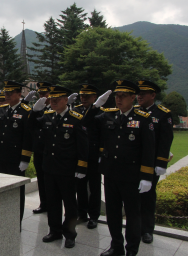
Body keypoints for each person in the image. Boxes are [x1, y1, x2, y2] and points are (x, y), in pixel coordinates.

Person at [95, 80, 155, 256]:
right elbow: (87, 124)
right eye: (116, 96)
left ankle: (131, 249)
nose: (118, 100)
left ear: (133, 97)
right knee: (112, 213)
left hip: (131, 176)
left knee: (132, 215)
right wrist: (96, 106)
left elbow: (149, 150)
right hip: (111, 173)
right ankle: (116, 246)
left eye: (122, 96)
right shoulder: (108, 115)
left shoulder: (143, 119)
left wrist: (146, 177)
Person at [29, 85, 89, 249]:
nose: (53, 102)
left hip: (68, 169)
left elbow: (83, 145)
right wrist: (34, 111)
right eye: (51, 100)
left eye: (56, 100)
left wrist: (82, 167)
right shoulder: (48, 116)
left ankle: (70, 234)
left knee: (70, 204)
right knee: (53, 202)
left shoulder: (76, 118)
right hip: (49, 168)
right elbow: (32, 126)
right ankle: (54, 231)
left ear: (65, 100)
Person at [0, 80, 33, 225]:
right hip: (0, 156)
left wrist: (25, 159)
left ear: (19, 94)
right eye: (6, 93)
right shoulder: (2, 109)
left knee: (17, 192)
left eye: (11, 93)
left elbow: (28, 137)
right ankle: (3, 218)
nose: (8, 96)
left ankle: (16, 222)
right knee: (2, 189)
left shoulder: (26, 112)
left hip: (15, 159)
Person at [136, 80, 173, 244]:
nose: (139, 96)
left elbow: (165, 141)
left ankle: (147, 230)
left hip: (150, 164)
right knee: (133, 197)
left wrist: (161, 163)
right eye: (138, 93)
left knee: (148, 197)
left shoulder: (162, 114)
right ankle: (134, 227)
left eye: (143, 94)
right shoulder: (134, 112)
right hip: (133, 163)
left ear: (153, 95)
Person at [72, 84, 102, 229]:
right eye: (82, 96)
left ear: (94, 97)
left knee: (95, 187)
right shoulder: (76, 110)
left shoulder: (101, 112)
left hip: (94, 155)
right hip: (79, 155)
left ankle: (94, 216)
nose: (83, 98)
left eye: (87, 96)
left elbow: (103, 135)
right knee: (80, 186)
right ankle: (82, 212)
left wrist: (102, 153)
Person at [32, 81, 52, 215]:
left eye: (44, 93)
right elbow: (31, 126)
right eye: (40, 94)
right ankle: (43, 203)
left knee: (51, 181)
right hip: (39, 150)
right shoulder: (38, 109)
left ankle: (53, 204)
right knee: (41, 178)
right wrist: (34, 111)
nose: (42, 96)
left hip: (52, 152)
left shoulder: (56, 109)